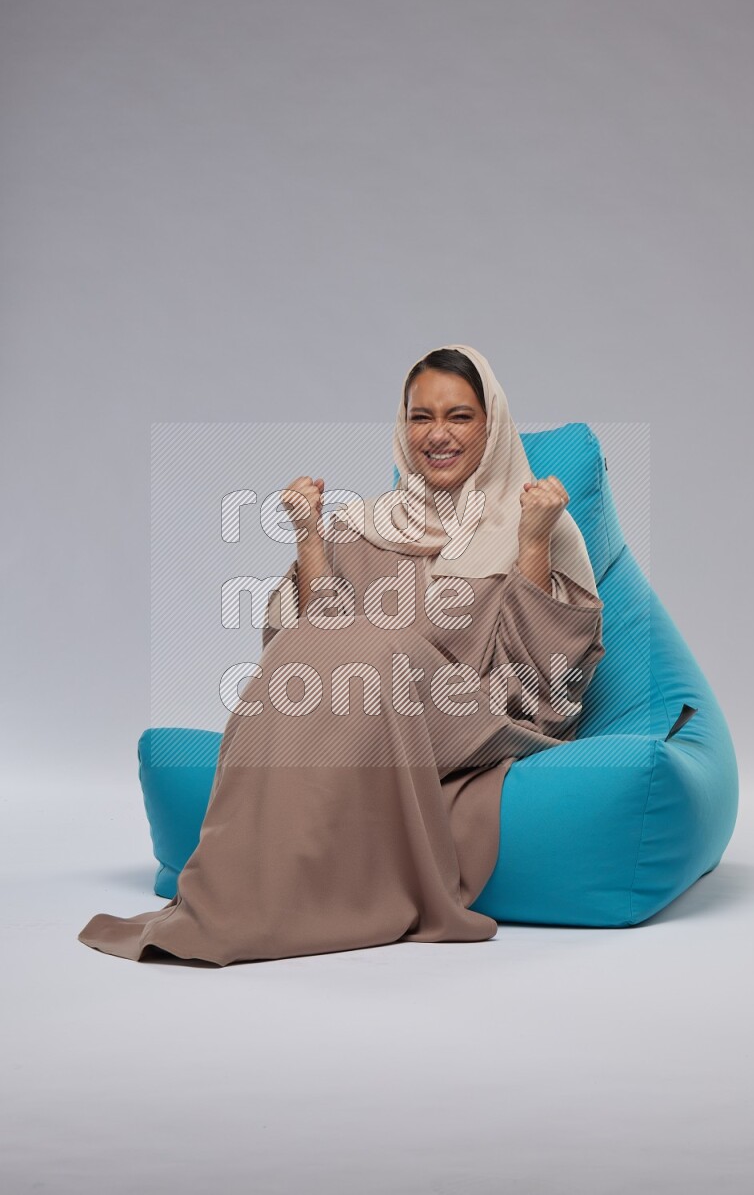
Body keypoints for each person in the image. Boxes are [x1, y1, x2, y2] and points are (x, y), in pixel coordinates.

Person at [77, 344, 605, 966]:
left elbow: (543, 690)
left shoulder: (534, 517)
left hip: (475, 715)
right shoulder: (366, 523)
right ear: (401, 425)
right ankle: (238, 895)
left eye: (459, 417)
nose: (437, 435)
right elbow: (307, 652)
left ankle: (267, 908)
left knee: (376, 649)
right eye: (420, 417)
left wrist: (534, 542)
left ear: (492, 426)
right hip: (371, 712)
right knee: (339, 651)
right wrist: (310, 539)